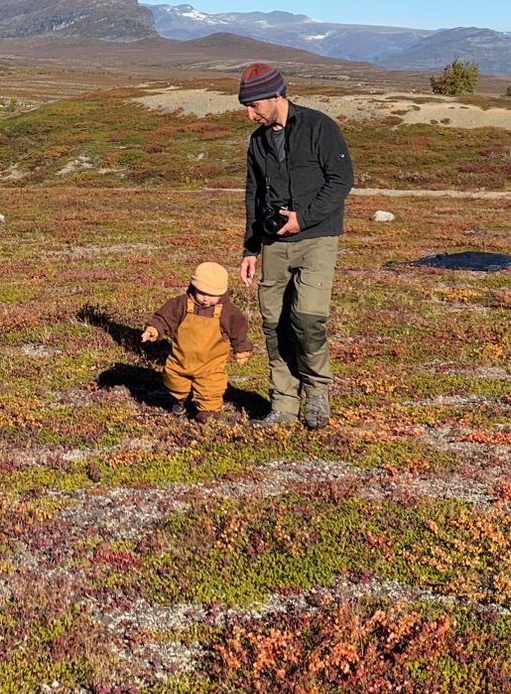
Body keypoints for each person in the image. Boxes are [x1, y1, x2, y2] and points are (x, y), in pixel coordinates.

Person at [236, 63, 354, 428]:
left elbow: (340, 181)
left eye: (254, 105)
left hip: (317, 238)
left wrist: (302, 219)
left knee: (307, 319)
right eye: (245, 106)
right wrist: (251, 249)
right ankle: (284, 405)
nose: (248, 113)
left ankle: (317, 393)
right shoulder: (257, 141)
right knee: (274, 324)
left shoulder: (320, 127)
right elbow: (254, 195)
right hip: (273, 244)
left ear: (275, 96)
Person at [141, 260, 253, 422]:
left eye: (212, 295)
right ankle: (178, 402)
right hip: (181, 359)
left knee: (211, 387)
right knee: (174, 380)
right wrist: (153, 329)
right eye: (202, 293)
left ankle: (208, 413)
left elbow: (238, 330)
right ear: (193, 287)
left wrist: (241, 349)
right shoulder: (181, 304)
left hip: (210, 364)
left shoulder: (227, 311)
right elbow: (165, 318)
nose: (206, 299)